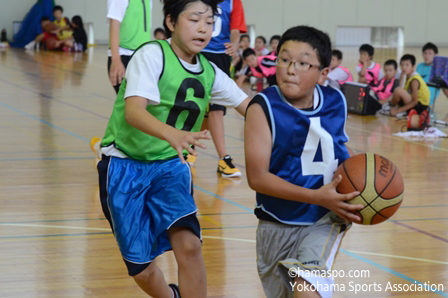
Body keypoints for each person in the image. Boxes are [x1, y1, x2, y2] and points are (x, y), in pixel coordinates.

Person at [96, 0, 250, 297]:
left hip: (169, 166)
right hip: (124, 166)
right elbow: (134, 112)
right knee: (141, 267)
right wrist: (174, 135)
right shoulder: (151, 55)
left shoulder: (209, 71)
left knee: (190, 245)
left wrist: (285, 121)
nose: (203, 28)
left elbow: (249, 107)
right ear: (171, 22)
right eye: (194, 20)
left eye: (209, 22)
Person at [244, 25, 362, 298]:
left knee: (308, 289)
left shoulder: (336, 101)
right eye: (284, 60)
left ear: (322, 74)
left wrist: (366, 180)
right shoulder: (263, 107)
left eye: (302, 63)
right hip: (275, 222)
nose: (290, 68)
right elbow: (257, 178)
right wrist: (316, 196)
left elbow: (339, 147)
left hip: (325, 218)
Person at [190, 0, 246, 178]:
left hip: (221, 57)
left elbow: (235, 28)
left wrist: (234, 44)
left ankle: (222, 158)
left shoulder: (233, 2)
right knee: (199, 108)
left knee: (216, 110)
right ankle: (189, 147)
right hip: (199, 53)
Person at [107, 0, 152, 93]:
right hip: (124, 56)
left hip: (142, 57)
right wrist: (116, 60)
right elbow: (114, 23)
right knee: (128, 103)